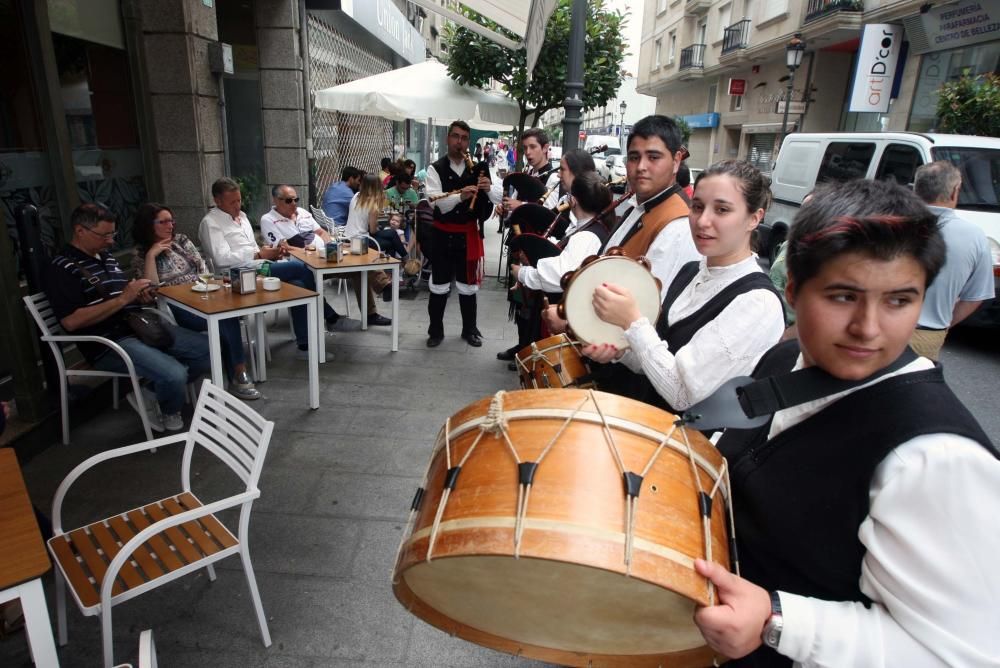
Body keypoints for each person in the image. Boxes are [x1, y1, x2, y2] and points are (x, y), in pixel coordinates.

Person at [692, 178, 1000, 667]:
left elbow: (964, 654)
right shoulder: (785, 360)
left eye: (899, 300)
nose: (869, 328)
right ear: (792, 288)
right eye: (842, 296)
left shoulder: (935, 459)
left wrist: (778, 621)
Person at [582, 160, 785, 411]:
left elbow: (682, 395)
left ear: (754, 218)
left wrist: (633, 322)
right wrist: (619, 352)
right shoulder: (691, 271)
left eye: (722, 210)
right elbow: (660, 357)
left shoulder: (758, 303)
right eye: (697, 207)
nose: (702, 221)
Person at [47, 203, 211, 431]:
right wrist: (124, 299)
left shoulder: (105, 258)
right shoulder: (62, 268)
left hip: (141, 325)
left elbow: (124, 294)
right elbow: (71, 321)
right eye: (104, 235)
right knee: (174, 373)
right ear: (80, 231)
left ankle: (150, 393)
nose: (111, 241)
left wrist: (138, 296)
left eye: (112, 234)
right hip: (109, 341)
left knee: (208, 348)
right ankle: (169, 409)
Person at [542, 114, 700, 333]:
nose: (641, 166)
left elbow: (650, 314)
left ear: (676, 161)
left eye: (653, 157)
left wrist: (572, 325)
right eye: (634, 157)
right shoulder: (643, 206)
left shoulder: (679, 224)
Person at [198, 177, 339, 361]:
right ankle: (330, 316)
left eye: (239, 200)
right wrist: (258, 255)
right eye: (232, 202)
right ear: (217, 201)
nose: (238, 205)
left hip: (258, 266)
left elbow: (254, 248)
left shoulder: (242, 217)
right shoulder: (211, 223)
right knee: (300, 268)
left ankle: (305, 346)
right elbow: (221, 258)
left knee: (298, 285)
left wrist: (270, 252)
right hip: (236, 276)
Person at [131, 203, 260, 401]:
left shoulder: (181, 240)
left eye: (171, 220)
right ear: (148, 225)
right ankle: (238, 373)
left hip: (202, 294)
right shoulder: (141, 253)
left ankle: (236, 373)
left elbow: (202, 270)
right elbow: (152, 289)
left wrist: (205, 285)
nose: (170, 226)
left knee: (228, 313)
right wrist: (151, 255)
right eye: (163, 222)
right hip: (175, 307)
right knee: (225, 318)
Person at [911, 160, 994, 360]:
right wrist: (944, 322)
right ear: (955, 191)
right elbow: (975, 296)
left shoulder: (889, 224)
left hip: (881, 331)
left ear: (915, 189)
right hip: (928, 335)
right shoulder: (974, 236)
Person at [424, 119, 494, 348]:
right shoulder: (435, 168)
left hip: (467, 235)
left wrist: (487, 190)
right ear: (448, 138)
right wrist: (460, 196)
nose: (460, 142)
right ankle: (435, 331)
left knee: (468, 286)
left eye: (464, 138)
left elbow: (488, 207)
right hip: (442, 235)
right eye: (455, 137)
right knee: (439, 285)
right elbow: (436, 202)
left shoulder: (479, 169)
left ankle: (470, 330)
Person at [342, 174, 396, 325]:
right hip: (359, 243)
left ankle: (384, 287)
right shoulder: (372, 203)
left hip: (347, 239)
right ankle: (387, 282)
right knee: (389, 239)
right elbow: (372, 230)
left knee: (389, 238)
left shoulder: (356, 196)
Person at [502, 128, 560, 214]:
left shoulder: (554, 178)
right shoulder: (526, 174)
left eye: (532, 147)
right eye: (525, 148)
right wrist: (506, 211)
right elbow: (515, 203)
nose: (527, 152)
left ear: (545, 148)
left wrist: (520, 205)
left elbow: (549, 211)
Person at [261, 185, 332, 248]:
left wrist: (328, 248)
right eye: (289, 200)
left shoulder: (302, 212)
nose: (294, 203)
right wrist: (312, 253)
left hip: (321, 254)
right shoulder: (268, 219)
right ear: (275, 200)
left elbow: (321, 232)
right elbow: (283, 248)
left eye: (296, 200)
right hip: (296, 260)